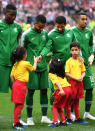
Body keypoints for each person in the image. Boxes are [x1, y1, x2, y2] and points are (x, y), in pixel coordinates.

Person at [21, 15, 52, 125]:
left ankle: (44, 116)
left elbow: (47, 46)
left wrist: (42, 55)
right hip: (31, 68)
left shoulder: (44, 33)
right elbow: (21, 50)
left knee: (44, 90)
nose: (41, 29)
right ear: (35, 23)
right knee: (30, 91)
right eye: (39, 27)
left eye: (43, 27)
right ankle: (29, 118)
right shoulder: (26, 34)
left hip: (43, 66)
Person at [72, 12, 95, 120]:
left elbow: (91, 44)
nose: (85, 21)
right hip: (75, 65)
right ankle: (71, 113)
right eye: (83, 19)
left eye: (86, 19)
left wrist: (92, 54)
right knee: (74, 90)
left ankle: (86, 112)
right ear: (77, 20)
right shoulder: (71, 32)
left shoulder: (89, 33)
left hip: (86, 65)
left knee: (90, 87)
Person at [10, 46, 38, 130]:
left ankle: (17, 122)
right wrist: (35, 61)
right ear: (24, 55)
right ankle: (16, 123)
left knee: (17, 105)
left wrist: (15, 84)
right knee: (20, 105)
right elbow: (33, 69)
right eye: (26, 53)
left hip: (16, 85)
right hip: (21, 86)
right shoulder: (26, 63)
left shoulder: (15, 64)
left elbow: (11, 76)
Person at [0, 4, 22, 93]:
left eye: (15, 15)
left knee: (16, 90)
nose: (13, 17)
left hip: (14, 63)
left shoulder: (18, 27)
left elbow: (19, 41)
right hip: (1, 62)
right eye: (11, 15)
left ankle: (17, 107)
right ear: (5, 13)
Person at [65, 42, 88, 123]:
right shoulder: (68, 61)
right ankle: (68, 118)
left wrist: (81, 77)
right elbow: (67, 73)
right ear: (70, 51)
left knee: (77, 101)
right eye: (72, 50)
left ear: (79, 51)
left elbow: (83, 71)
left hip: (79, 83)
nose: (74, 51)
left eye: (76, 50)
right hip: (71, 83)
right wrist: (76, 79)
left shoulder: (80, 60)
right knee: (69, 101)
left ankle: (78, 118)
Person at [49, 58, 72, 127]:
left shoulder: (51, 73)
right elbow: (63, 83)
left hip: (63, 90)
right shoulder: (61, 73)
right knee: (59, 106)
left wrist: (61, 90)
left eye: (51, 60)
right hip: (69, 89)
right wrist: (55, 92)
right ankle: (63, 121)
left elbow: (57, 82)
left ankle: (55, 122)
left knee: (55, 106)